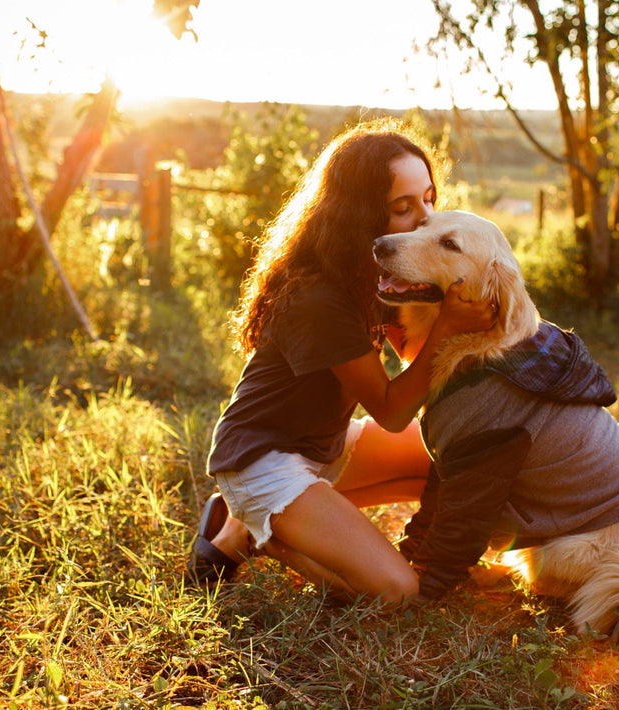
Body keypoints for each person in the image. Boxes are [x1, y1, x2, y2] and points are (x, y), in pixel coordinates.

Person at [187, 119, 495, 605]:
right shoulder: (320, 296)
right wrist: (447, 327)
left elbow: (416, 362)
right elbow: (393, 413)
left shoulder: (378, 272)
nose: (425, 217)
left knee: (459, 453)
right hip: (261, 458)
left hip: (324, 448)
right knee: (394, 591)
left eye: (429, 199)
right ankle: (255, 529)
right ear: (360, 212)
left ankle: (253, 524)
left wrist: (448, 299)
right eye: (403, 206)